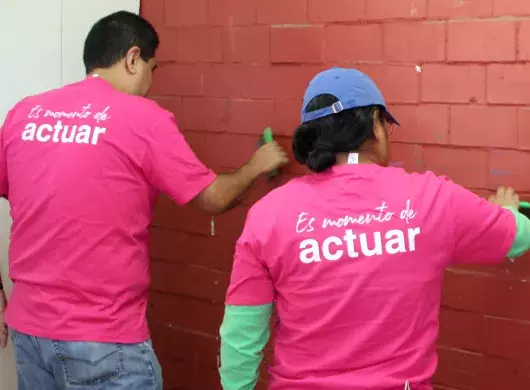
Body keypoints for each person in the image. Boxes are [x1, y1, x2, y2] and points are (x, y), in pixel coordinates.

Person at [0, 10, 288, 390]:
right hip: (102, 339)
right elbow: (212, 198)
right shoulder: (141, 117)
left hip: (29, 333)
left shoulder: (25, 114)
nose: (151, 83)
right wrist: (256, 165)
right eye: (153, 69)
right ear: (133, 58)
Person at [218, 67, 530, 390]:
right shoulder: (431, 200)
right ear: (375, 126)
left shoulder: (268, 215)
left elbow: (240, 339)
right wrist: (506, 209)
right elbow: (519, 236)